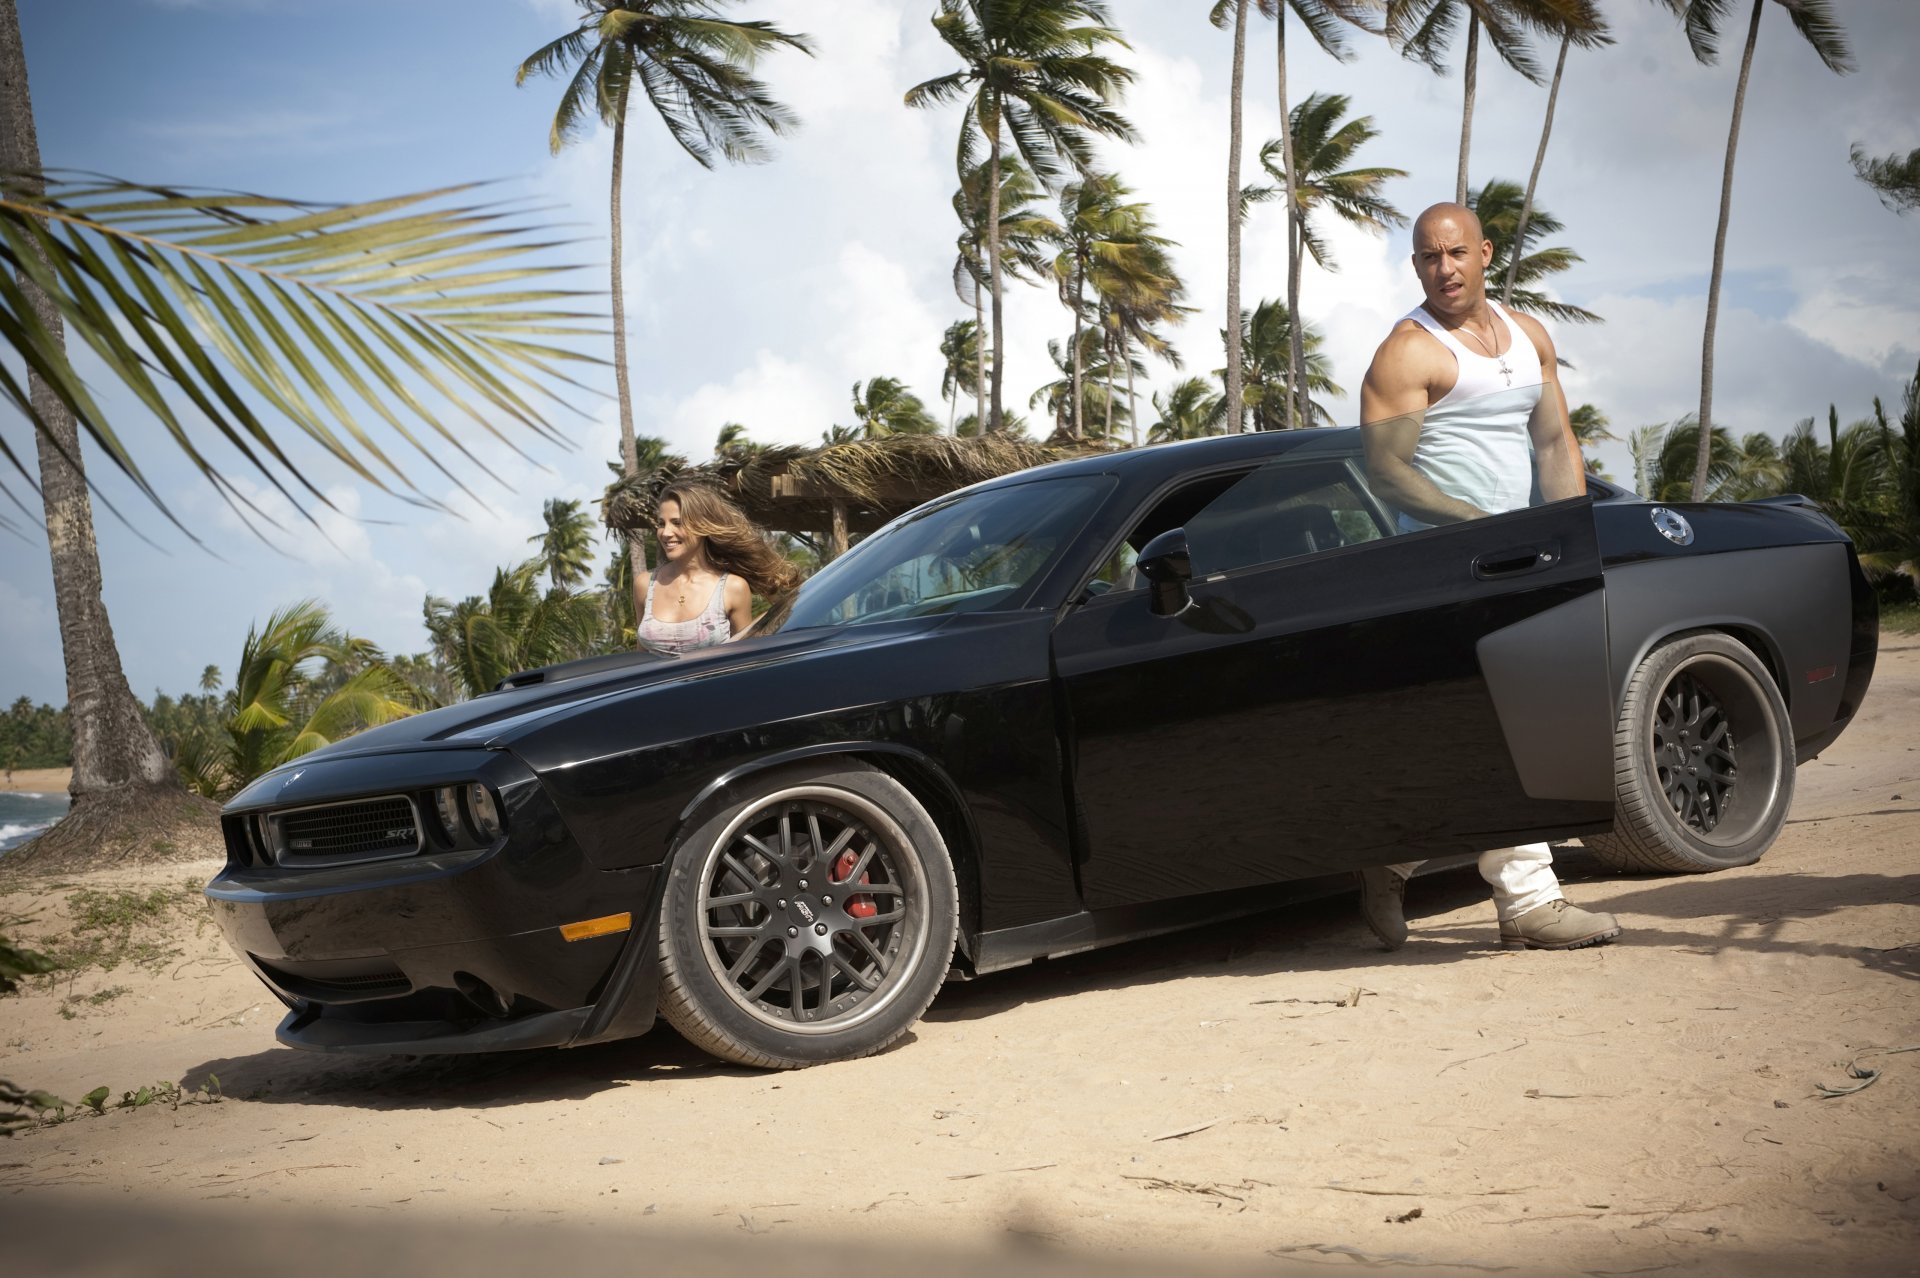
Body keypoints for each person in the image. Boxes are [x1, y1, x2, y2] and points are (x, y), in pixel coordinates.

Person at [1354, 201, 1621, 953]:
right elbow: (1386, 470)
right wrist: (1477, 527)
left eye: (1456, 253)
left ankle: (1393, 852)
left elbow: (1555, 443)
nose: (1444, 269)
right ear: (1416, 266)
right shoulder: (1408, 353)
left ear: (1485, 253)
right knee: (1510, 726)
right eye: (1428, 257)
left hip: (1522, 560)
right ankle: (1530, 904)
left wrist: (1570, 544)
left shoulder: (1529, 336)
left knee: (1509, 726)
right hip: (1446, 564)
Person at [636, 483, 800, 655]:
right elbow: (640, 655)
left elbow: (743, 656)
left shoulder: (732, 588)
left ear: (702, 525)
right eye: (661, 524)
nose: (666, 533)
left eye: (677, 523)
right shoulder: (645, 584)